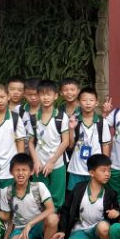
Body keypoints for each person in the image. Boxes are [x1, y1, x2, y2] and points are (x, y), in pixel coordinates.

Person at [1, 152, 63, 239]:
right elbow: (10, 219)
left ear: (31, 172)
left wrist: (30, 223)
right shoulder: (7, 192)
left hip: (39, 226)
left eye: (24, 170)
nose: (20, 173)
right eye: (17, 170)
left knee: (53, 218)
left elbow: (51, 209)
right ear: (11, 172)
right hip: (20, 228)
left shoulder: (39, 186)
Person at [60, 154, 120, 239]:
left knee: (103, 227)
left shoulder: (110, 192)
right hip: (81, 229)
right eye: (103, 170)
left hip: (99, 230)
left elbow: (117, 209)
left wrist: (116, 212)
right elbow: (65, 209)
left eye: (109, 170)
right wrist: (62, 230)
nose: (107, 174)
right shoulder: (78, 188)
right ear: (92, 173)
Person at [28, 79, 71, 210]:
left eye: (49, 94)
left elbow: (65, 142)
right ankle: (40, 223)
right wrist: (35, 161)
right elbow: (30, 142)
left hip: (57, 163)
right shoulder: (33, 117)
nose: (45, 97)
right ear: (38, 96)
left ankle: (53, 221)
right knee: (38, 197)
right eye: (42, 94)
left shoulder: (61, 117)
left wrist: (52, 162)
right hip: (39, 164)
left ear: (55, 96)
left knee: (57, 199)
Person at [66, 86, 112, 191]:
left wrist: (105, 167)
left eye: (91, 100)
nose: (87, 103)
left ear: (96, 102)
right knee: (75, 195)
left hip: (96, 168)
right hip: (77, 168)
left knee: (94, 195)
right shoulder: (74, 121)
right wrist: (71, 129)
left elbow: (105, 145)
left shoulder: (102, 122)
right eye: (84, 100)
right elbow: (70, 145)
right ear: (79, 102)